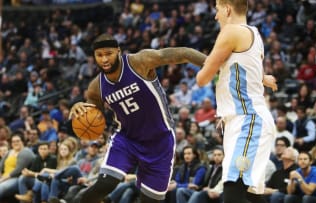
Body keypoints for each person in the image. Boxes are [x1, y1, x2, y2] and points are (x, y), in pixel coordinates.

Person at [69, 33, 207, 203]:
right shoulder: (96, 87)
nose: (104, 59)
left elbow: (183, 53)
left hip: (160, 141)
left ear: (118, 51)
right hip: (126, 139)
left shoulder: (140, 61)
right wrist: (79, 109)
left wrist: (215, 64)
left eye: (109, 53)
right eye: (99, 55)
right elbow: (92, 113)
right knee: (104, 185)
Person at [195, 0, 277, 203]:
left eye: (217, 10)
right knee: (248, 194)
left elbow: (202, 78)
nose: (216, 16)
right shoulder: (254, 33)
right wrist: (263, 78)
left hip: (248, 119)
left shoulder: (231, 32)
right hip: (242, 120)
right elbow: (247, 67)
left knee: (232, 189)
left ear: (227, 9)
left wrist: (211, 64)